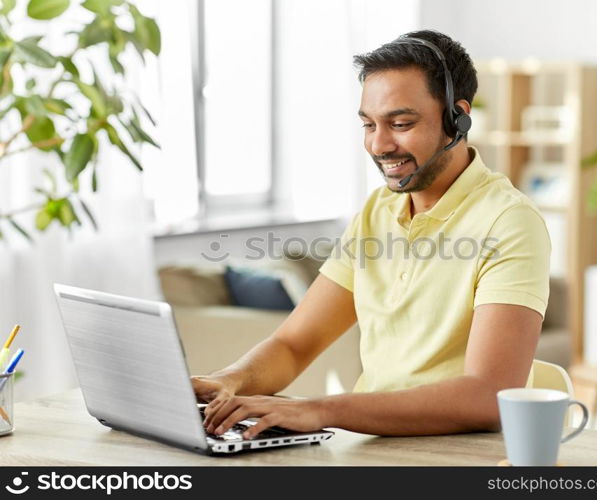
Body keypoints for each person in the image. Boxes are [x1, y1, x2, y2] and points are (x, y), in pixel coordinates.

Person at [192, 29, 550, 440]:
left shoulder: (509, 221)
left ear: (457, 117)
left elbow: (488, 397)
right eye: (368, 125)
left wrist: (320, 410)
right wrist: (227, 381)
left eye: (400, 123)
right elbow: (294, 344)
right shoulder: (377, 211)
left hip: (453, 455)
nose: (379, 145)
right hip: (371, 447)